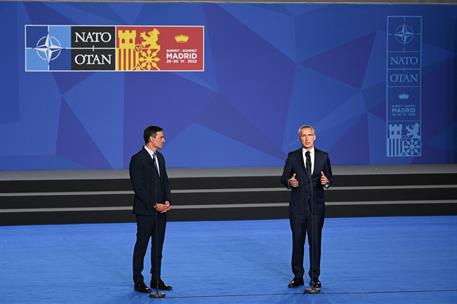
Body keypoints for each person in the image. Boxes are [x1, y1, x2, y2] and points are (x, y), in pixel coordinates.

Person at [281, 124, 333, 293]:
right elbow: (283, 178)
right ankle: (298, 277)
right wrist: (290, 182)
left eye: (310, 135)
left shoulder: (323, 157)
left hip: (317, 208)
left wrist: (327, 183)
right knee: (297, 243)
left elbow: (329, 177)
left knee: (315, 243)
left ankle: (315, 278)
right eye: (304, 135)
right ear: (300, 138)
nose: (307, 138)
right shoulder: (292, 157)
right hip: (297, 208)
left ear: (315, 136)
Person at [129, 125, 172, 293]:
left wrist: (167, 200)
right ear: (151, 139)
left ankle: (156, 279)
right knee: (142, 247)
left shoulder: (160, 158)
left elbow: (165, 182)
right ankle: (138, 281)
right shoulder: (137, 159)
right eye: (161, 137)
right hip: (146, 211)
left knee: (158, 247)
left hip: (161, 211)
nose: (164, 140)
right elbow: (138, 187)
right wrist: (155, 204)